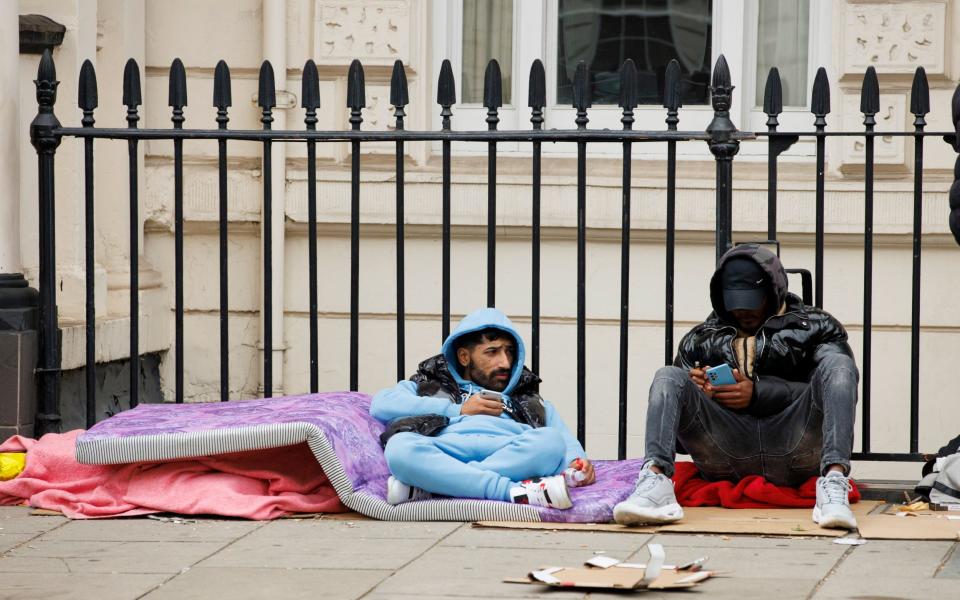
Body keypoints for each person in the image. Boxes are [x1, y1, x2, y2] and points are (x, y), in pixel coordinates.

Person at [614, 244, 859, 529]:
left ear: (774, 291)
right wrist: (703, 399)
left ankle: (833, 482)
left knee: (839, 366)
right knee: (668, 376)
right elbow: (681, 444)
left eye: (752, 299)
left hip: (796, 445)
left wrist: (757, 394)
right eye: (733, 299)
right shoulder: (700, 339)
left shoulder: (817, 327)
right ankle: (655, 482)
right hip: (725, 452)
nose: (742, 308)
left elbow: (837, 391)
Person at [371, 307, 594, 509]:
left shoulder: (530, 400)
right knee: (400, 448)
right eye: (492, 352)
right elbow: (381, 404)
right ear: (464, 357)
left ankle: (435, 487)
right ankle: (508, 492)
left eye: (508, 352)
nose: (505, 363)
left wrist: (578, 466)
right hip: (444, 448)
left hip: (506, 450)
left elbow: (566, 447)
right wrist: (458, 409)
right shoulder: (427, 385)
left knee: (549, 442)